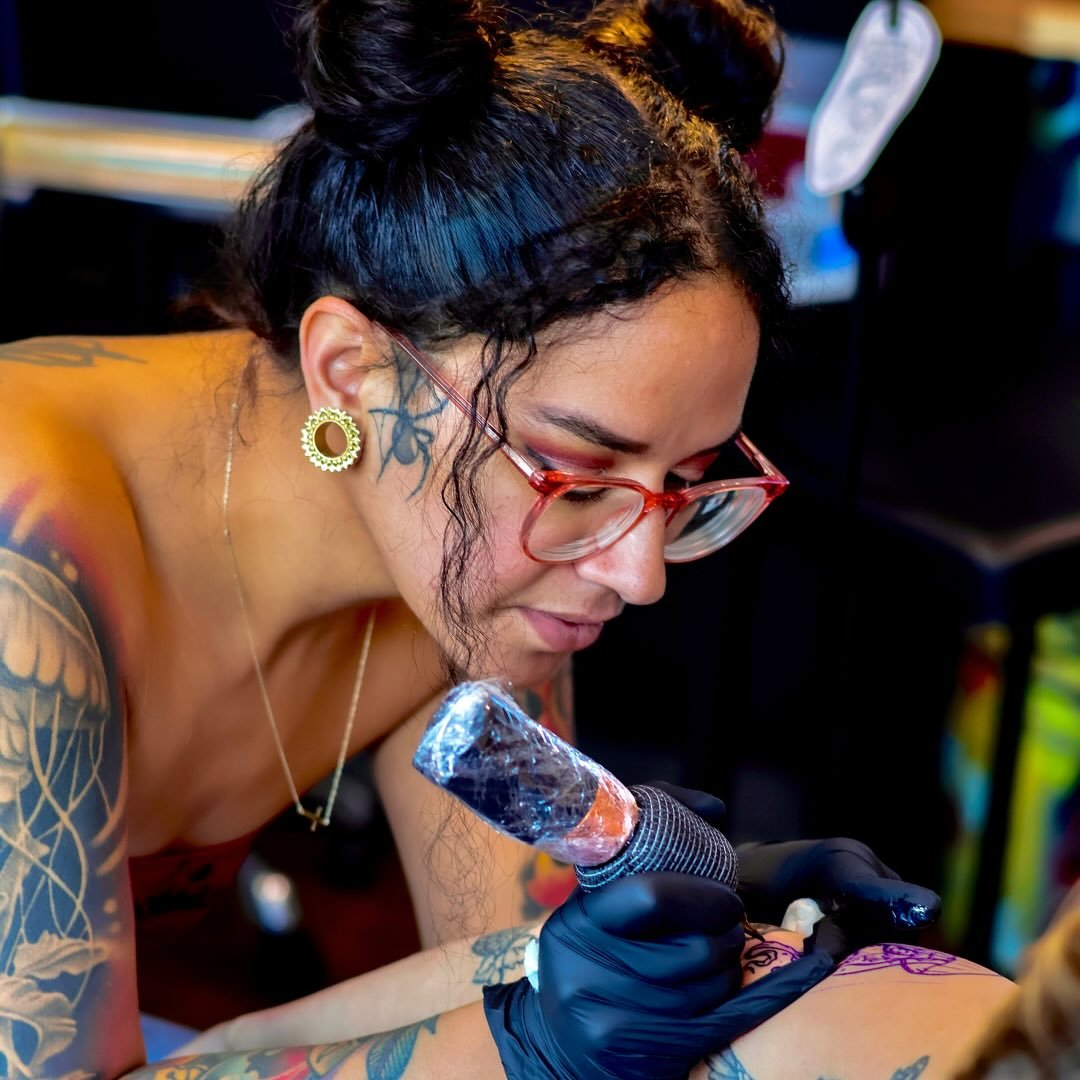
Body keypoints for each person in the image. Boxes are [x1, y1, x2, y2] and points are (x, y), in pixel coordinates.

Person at [0, 0, 943, 1076]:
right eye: (578, 476)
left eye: (683, 486)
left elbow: (513, 959)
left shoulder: (456, 561)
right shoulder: (27, 539)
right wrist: (531, 1035)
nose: (638, 575)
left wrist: (703, 900)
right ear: (353, 372)